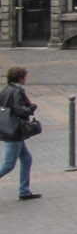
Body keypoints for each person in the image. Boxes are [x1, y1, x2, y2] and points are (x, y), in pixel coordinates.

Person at [0, 66, 39, 200]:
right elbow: (20, 110)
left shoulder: (6, 90)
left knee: (26, 159)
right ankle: (24, 190)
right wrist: (32, 107)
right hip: (14, 131)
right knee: (9, 164)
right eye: (24, 77)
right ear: (20, 78)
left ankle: (24, 190)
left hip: (9, 129)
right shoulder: (17, 91)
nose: (25, 79)